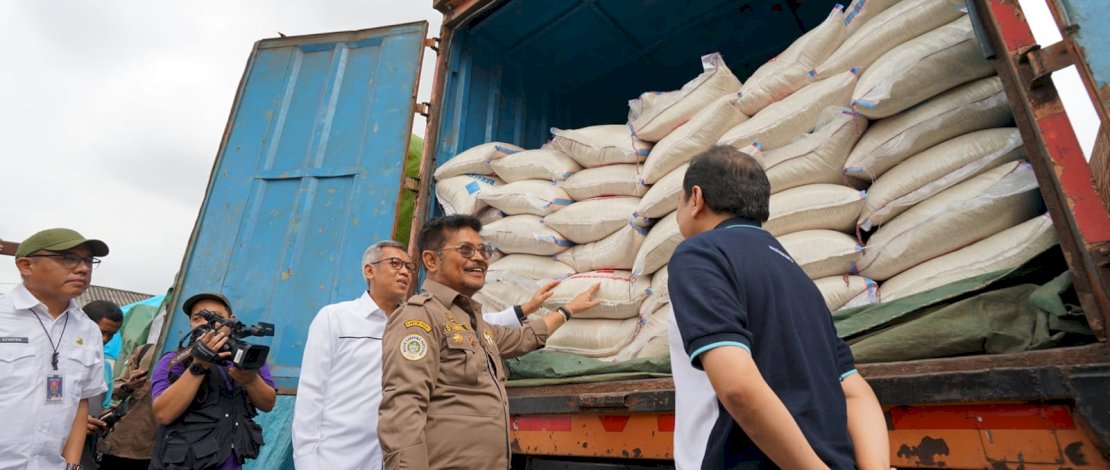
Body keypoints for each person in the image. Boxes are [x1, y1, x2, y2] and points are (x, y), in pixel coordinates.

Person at [667, 146, 889, 469]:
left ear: (696, 199)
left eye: (679, 200)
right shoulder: (800, 279)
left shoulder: (699, 255)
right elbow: (854, 391)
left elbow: (738, 385)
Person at [293, 240, 581, 469]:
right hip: (340, 456)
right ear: (369, 270)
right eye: (395, 264)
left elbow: (478, 331)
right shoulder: (336, 318)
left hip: (392, 454)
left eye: (409, 266)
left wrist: (534, 310)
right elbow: (311, 394)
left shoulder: (420, 319)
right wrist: (306, 461)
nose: (405, 272)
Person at [379, 215, 600, 469]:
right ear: (431, 260)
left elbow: (523, 338)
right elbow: (403, 409)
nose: (480, 258)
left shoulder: (474, 322)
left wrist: (568, 309)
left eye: (484, 250)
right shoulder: (420, 315)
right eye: (465, 249)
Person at [0, 228, 110, 469]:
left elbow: (80, 401)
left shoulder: (88, 330)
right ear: (26, 265)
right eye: (68, 259)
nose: (83, 268)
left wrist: (71, 464)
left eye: (89, 261)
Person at [149, 292, 277, 469]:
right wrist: (199, 365)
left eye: (217, 317)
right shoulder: (175, 360)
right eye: (197, 318)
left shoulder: (247, 357)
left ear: (231, 320)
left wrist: (251, 379)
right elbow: (164, 413)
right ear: (191, 323)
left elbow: (268, 403)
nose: (206, 324)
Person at [96, 342, 159, 470]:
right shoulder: (144, 351)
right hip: (124, 443)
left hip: (156, 450)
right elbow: (115, 390)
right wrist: (129, 386)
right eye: (194, 320)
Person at [80, 300, 123, 469]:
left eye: (111, 335)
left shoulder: (104, 367)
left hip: (86, 452)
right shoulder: (55, 360)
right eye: (101, 332)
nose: (104, 340)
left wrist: (105, 420)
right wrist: (74, 423)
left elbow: (102, 406)